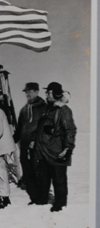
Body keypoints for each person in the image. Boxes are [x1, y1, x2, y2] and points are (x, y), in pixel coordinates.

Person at [34, 82, 77, 212]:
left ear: (56, 94)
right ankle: (42, 199)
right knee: (43, 177)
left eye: (49, 92)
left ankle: (60, 203)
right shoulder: (48, 109)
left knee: (59, 179)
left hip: (56, 151)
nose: (46, 95)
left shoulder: (64, 110)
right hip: (43, 150)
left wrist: (67, 148)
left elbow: (70, 130)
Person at [13, 82, 47, 205]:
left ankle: (42, 199)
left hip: (38, 147)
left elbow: (45, 129)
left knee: (39, 172)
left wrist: (36, 142)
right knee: (28, 173)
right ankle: (34, 198)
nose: (27, 94)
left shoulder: (44, 108)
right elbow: (19, 129)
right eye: (26, 92)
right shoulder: (24, 110)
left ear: (37, 91)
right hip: (25, 146)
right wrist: (11, 142)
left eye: (30, 91)